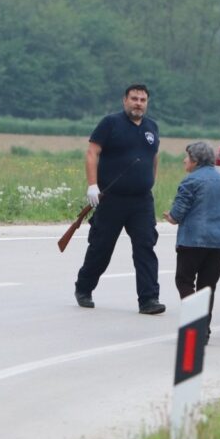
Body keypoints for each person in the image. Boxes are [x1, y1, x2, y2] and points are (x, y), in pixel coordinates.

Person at [74, 84, 165, 314]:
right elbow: (92, 152)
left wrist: (150, 181)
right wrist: (92, 185)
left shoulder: (151, 127)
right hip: (111, 199)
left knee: (145, 247)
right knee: (101, 247)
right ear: (125, 100)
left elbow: (154, 157)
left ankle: (148, 299)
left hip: (141, 201)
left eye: (143, 99)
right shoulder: (110, 123)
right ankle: (84, 287)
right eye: (134, 98)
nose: (138, 103)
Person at [164, 141, 220, 340]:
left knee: (184, 280)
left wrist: (171, 217)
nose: (184, 161)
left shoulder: (190, 181)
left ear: (195, 160)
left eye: (186, 157)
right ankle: (204, 329)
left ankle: (196, 323)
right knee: (208, 285)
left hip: (193, 240)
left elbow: (178, 213)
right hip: (219, 241)